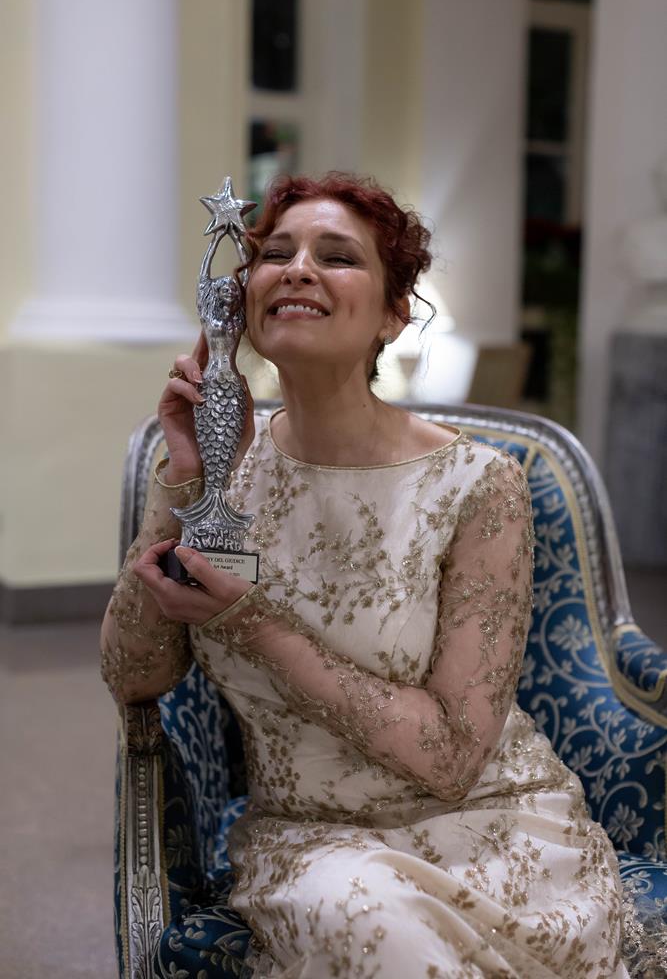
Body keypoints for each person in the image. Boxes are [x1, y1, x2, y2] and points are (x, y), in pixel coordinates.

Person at [101, 173, 630, 978]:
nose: (297, 269)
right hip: (315, 841)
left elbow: (451, 759)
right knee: (380, 931)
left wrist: (251, 623)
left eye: (337, 256)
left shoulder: (477, 484)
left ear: (392, 313)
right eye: (275, 254)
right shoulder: (219, 470)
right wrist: (185, 477)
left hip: (490, 827)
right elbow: (132, 675)